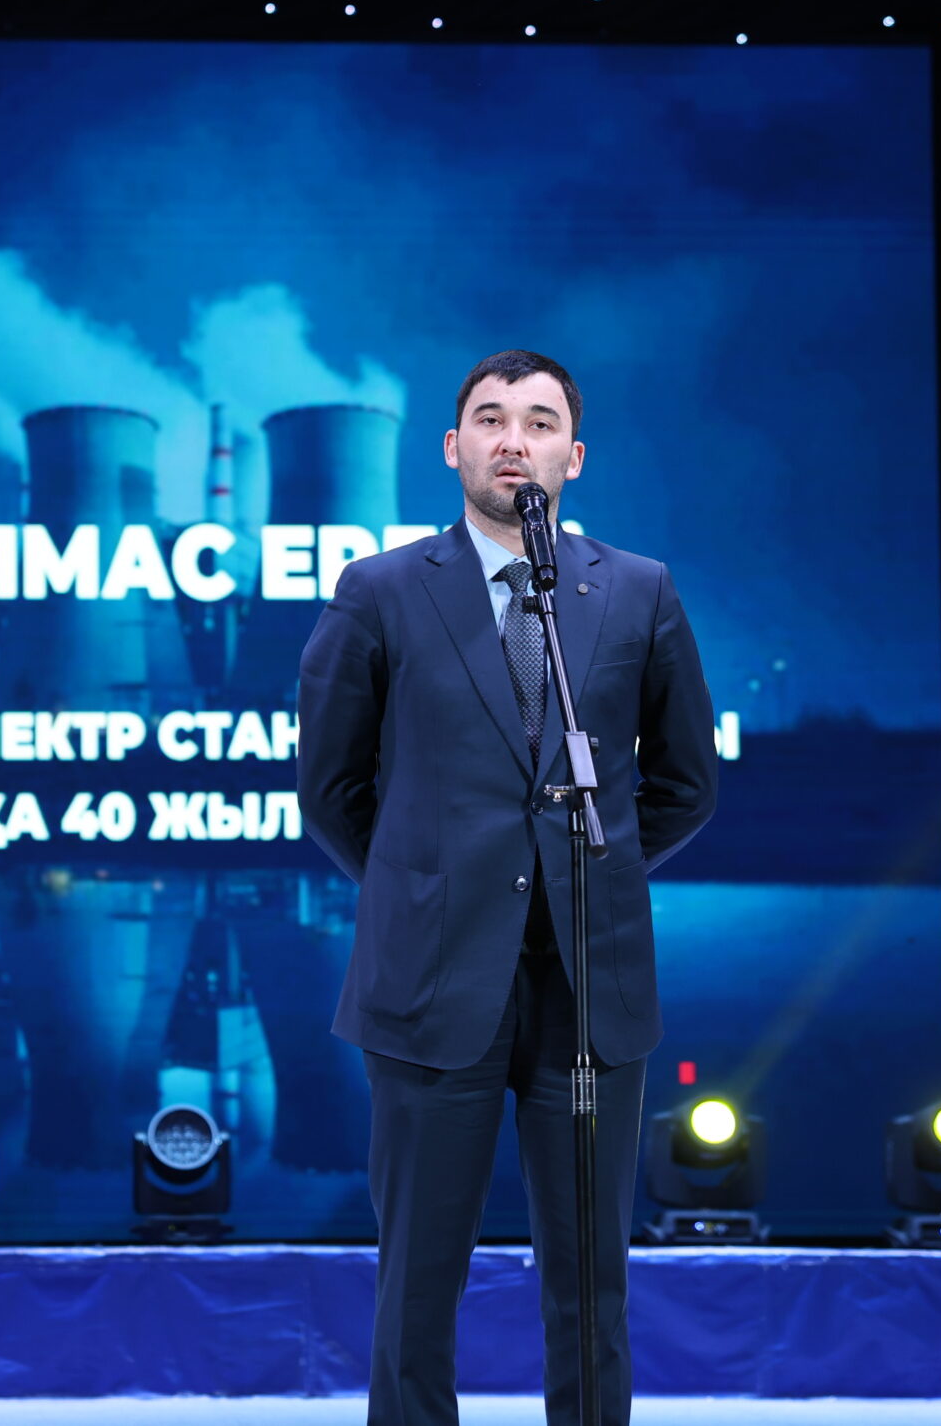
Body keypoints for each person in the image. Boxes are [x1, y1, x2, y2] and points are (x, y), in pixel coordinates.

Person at [296, 349, 720, 1426]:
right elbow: (331, 790)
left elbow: (684, 783)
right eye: (490, 420)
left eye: (538, 422)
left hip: (587, 984)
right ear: (453, 449)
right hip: (429, 980)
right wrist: (429, 889)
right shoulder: (382, 591)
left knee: (590, 1283)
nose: (512, 440)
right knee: (416, 1283)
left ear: (574, 457)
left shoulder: (638, 590)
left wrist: (585, 877)